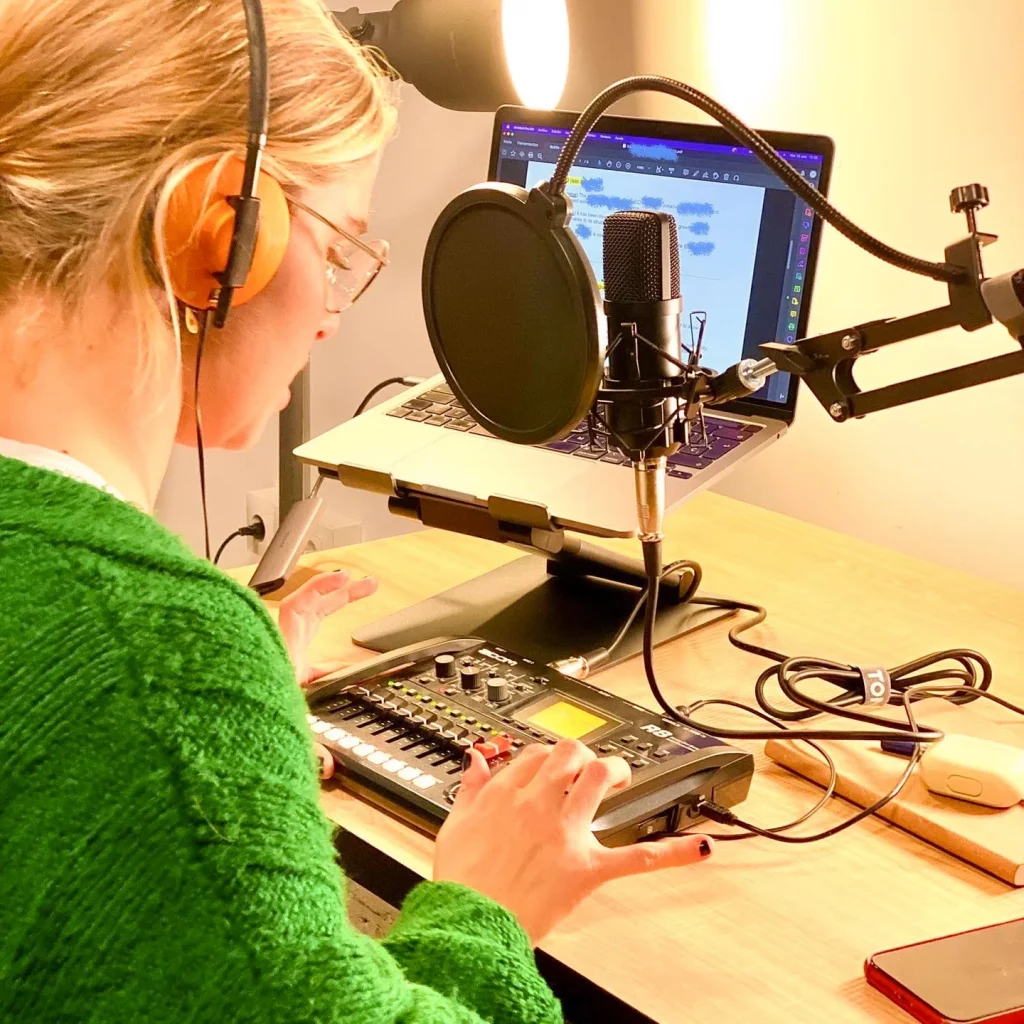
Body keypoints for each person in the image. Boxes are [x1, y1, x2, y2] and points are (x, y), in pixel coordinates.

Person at [0, 1, 714, 1021]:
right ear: (222, 234)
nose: (335, 310)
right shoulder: (151, 653)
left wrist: (217, 737)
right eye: (339, 252)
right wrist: (479, 906)